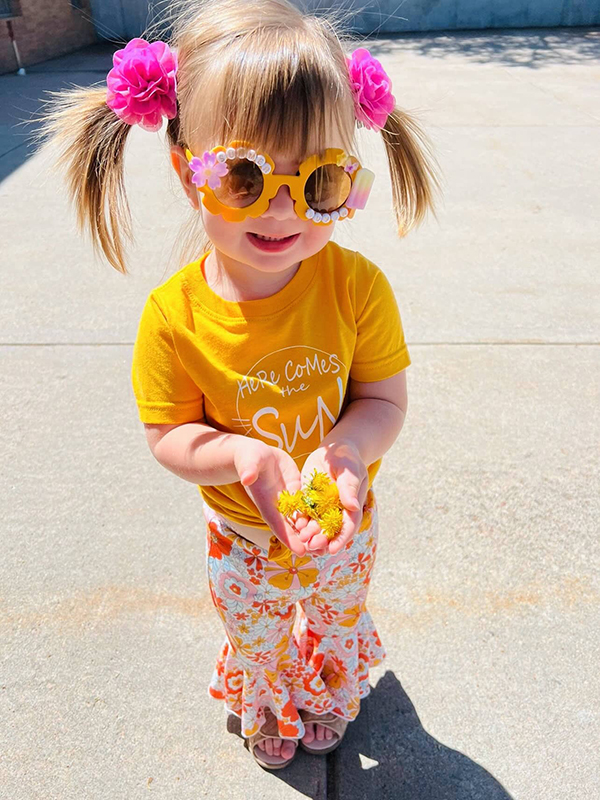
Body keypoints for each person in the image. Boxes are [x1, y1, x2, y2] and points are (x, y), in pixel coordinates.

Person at [36, 0, 442, 770]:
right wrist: (244, 460)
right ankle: (267, 696)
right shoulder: (174, 316)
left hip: (342, 524)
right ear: (187, 168)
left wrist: (350, 451)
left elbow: (383, 399)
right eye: (247, 175)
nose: (284, 208)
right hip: (242, 537)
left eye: (320, 181)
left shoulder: (357, 287)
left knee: (334, 613)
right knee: (256, 633)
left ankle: (323, 690)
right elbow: (171, 436)